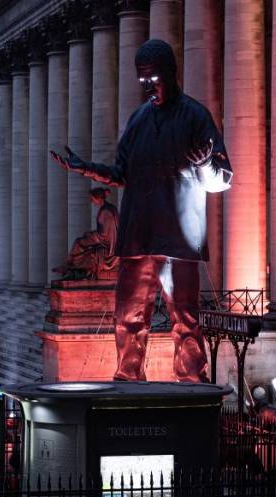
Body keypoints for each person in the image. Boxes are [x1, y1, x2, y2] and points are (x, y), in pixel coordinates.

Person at [51, 39, 232, 382]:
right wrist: (86, 168)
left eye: (154, 78)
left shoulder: (195, 116)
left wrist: (206, 165)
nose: (149, 87)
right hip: (139, 238)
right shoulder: (138, 120)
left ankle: (192, 382)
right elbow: (121, 174)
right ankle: (128, 377)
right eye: (143, 80)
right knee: (128, 316)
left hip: (178, 239)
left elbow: (222, 179)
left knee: (186, 320)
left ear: (171, 73)